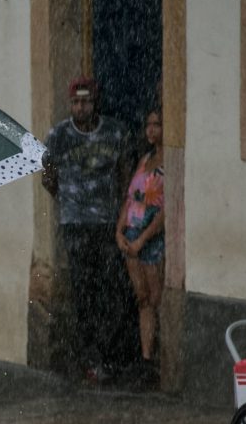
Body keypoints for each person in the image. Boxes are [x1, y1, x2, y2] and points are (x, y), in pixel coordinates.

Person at [41, 76, 133, 383]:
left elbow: (125, 174)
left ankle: (111, 356)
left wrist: (117, 209)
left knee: (112, 291)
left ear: (96, 102)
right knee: (84, 293)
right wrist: (72, 202)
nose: (81, 107)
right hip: (75, 225)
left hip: (108, 224)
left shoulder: (115, 132)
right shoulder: (58, 136)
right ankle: (89, 357)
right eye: (76, 102)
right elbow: (48, 178)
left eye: (86, 101)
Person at [115, 108, 165, 386]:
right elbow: (131, 197)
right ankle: (145, 358)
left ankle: (155, 359)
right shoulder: (145, 160)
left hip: (150, 239)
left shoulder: (168, 164)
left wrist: (143, 239)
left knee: (155, 301)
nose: (151, 130)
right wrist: (119, 230)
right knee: (143, 299)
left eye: (157, 125)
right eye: (148, 124)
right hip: (132, 236)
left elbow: (164, 211)